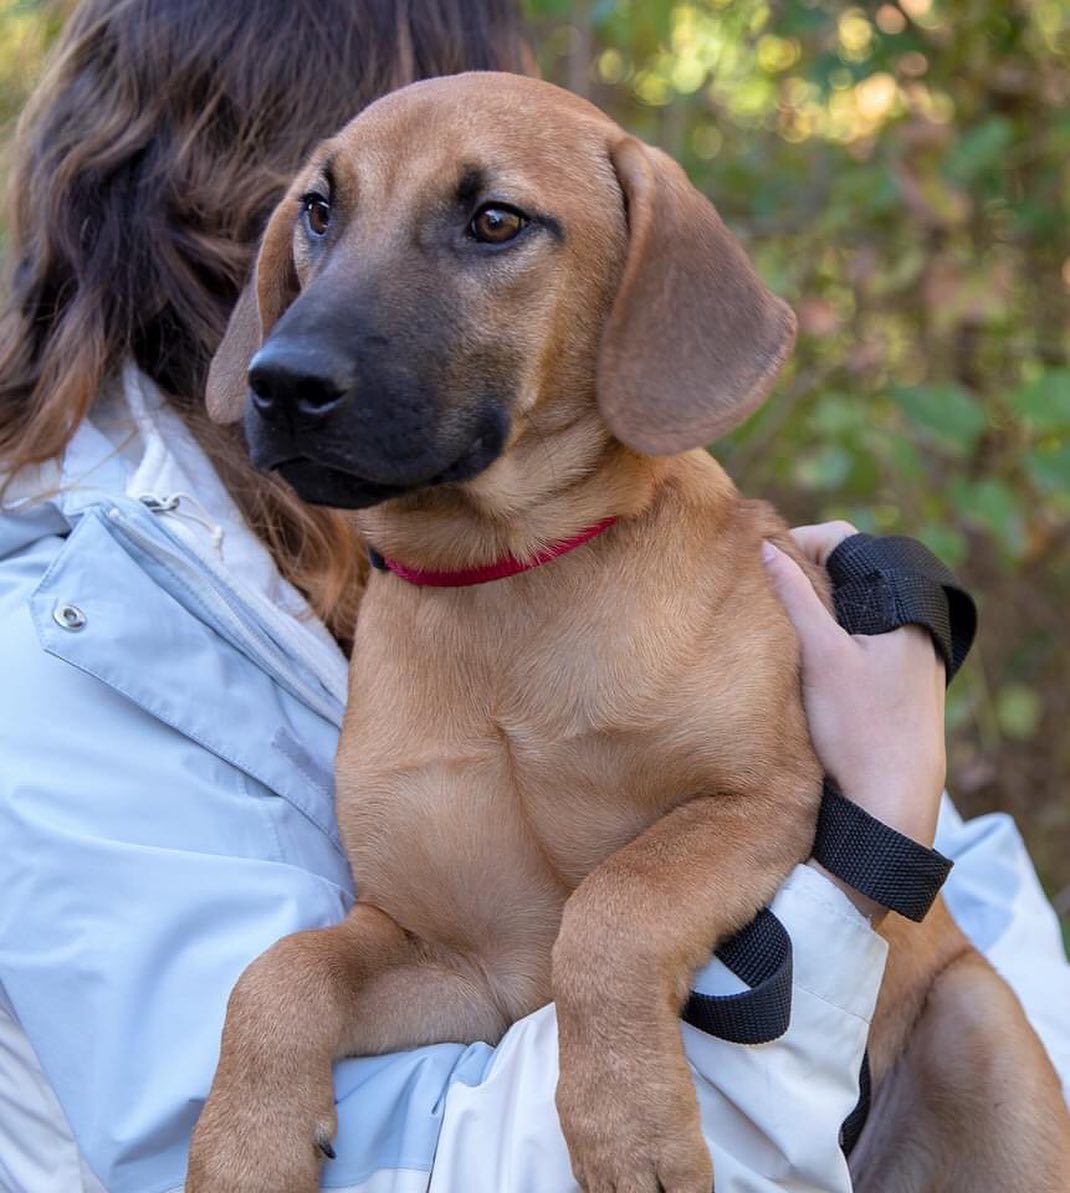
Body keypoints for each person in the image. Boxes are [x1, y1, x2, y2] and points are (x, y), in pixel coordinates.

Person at [0, 1, 1065, 1190]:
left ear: (637, 280)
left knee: (976, 1028)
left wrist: (634, 935)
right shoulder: (82, 633)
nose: (308, 336)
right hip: (690, 1120)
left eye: (488, 221)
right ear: (245, 227)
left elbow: (857, 836)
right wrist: (282, 1016)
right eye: (325, 215)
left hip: (927, 1073)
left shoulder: (701, 575)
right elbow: (456, 969)